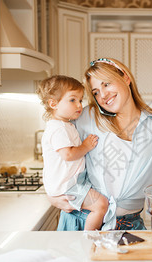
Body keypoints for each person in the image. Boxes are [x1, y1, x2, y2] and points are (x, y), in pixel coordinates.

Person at [48, 58, 152, 231]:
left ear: (125, 78)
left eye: (107, 84)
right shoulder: (86, 117)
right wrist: (52, 195)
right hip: (79, 221)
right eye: (96, 92)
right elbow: (55, 149)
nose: (103, 95)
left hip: (130, 227)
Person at [37, 75, 111, 231]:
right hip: (68, 187)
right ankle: (88, 237)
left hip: (71, 183)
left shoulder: (65, 124)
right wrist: (86, 146)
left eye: (80, 100)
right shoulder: (58, 128)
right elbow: (68, 155)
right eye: (72, 100)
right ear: (53, 103)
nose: (79, 105)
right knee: (101, 206)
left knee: (100, 205)